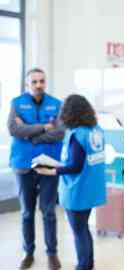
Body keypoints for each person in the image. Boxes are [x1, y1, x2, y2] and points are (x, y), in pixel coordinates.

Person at [34, 94, 107, 270]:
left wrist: (52, 169)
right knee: (84, 229)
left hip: (78, 191)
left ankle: (83, 265)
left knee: (79, 231)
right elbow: (83, 160)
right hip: (92, 189)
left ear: (70, 113)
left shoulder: (77, 134)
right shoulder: (96, 130)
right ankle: (87, 263)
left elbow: (74, 166)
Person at [7, 68, 64, 270]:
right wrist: (43, 127)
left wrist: (30, 134)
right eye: (34, 82)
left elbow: (59, 133)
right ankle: (28, 252)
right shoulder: (16, 103)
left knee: (49, 211)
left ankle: (52, 254)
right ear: (27, 84)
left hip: (48, 164)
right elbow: (13, 129)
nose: (39, 85)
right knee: (26, 213)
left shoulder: (57, 104)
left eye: (42, 81)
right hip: (22, 164)